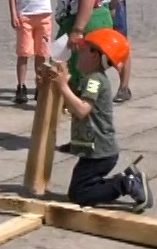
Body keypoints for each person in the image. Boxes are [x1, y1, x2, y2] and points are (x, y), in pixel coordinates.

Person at [39, 29, 149, 211]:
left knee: (80, 194)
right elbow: (77, 108)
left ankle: (125, 183)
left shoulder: (95, 80)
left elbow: (82, 110)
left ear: (96, 56)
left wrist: (63, 86)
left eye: (84, 51)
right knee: (80, 190)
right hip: (95, 152)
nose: (79, 55)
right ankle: (126, 180)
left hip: (100, 154)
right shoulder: (90, 79)